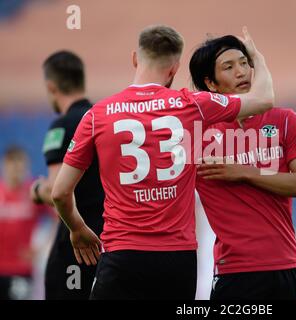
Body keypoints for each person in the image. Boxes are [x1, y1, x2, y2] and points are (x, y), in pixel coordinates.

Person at [51, 25, 275, 300]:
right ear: (174, 68)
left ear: (135, 58)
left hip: (122, 255)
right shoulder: (192, 104)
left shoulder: (98, 115)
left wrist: (78, 229)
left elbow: (60, 193)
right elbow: (264, 99)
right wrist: (256, 57)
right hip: (177, 260)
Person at [189, 35, 296, 300]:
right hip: (234, 272)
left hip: (286, 266)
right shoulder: (197, 133)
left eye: (245, 63)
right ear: (210, 83)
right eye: (229, 67)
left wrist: (245, 172)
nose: (241, 72)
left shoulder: (284, 120)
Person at [30, 51, 105, 299]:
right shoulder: (103, 119)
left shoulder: (61, 126)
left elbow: (56, 192)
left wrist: (37, 191)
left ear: (51, 86)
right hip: (110, 246)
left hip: (75, 248)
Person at [0, 146, 48, 300]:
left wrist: (40, 248)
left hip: (21, 269)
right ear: (4, 165)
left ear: (26, 166)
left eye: (20, 164)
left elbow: (59, 218)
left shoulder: (33, 193)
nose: (16, 169)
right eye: (12, 164)